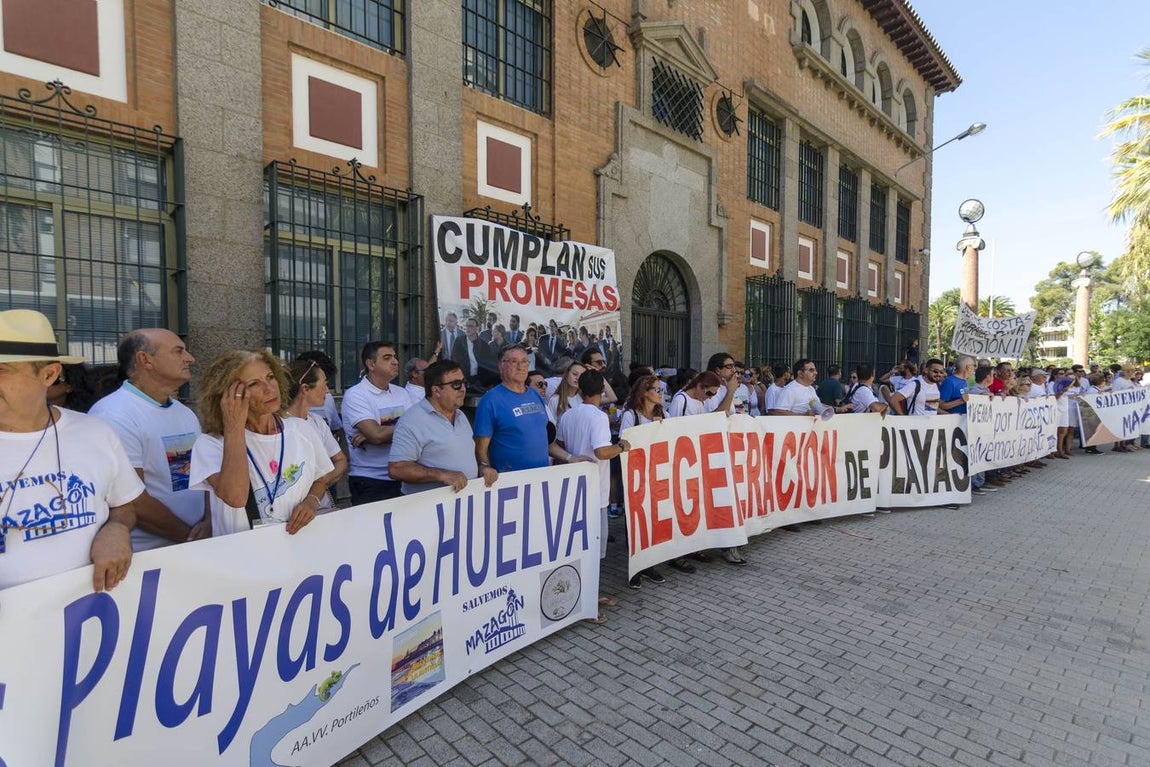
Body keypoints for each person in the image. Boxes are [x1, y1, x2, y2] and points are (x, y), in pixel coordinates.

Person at [0, 309, 142, 591]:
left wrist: (116, 529)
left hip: (86, 620)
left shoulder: (96, 433)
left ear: (49, 374)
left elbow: (124, 506)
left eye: (2, 371)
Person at [89, 328, 211, 550]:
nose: (190, 358)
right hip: (148, 555)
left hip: (192, 548)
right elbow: (132, 500)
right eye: (178, 351)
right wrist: (190, 538)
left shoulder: (183, 412)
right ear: (145, 359)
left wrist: (210, 522)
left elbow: (204, 476)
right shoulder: (114, 414)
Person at [189, 350, 334, 536]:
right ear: (228, 396)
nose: (269, 388)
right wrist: (234, 425)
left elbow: (320, 477)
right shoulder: (211, 444)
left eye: (270, 377)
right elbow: (236, 497)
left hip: (298, 549)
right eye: (254, 383)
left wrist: (312, 501)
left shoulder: (301, 429)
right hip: (244, 556)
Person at [555, 369, 633, 617]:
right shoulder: (598, 417)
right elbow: (601, 452)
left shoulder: (568, 415)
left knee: (579, 547)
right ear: (600, 391)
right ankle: (587, 600)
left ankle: (584, 595)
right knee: (594, 548)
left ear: (579, 389)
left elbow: (562, 445)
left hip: (575, 488)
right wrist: (620, 446)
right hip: (595, 491)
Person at [390, 360, 499, 494]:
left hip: (462, 505)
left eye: (464, 383)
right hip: (428, 508)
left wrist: (482, 468)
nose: (463, 389)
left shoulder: (460, 415)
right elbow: (396, 468)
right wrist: (442, 475)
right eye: (456, 385)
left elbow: (464, 456)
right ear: (436, 391)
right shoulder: (412, 420)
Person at [341, 341, 412, 504]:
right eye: (387, 358)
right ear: (371, 364)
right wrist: (375, 433)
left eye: (395, 357)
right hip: (371, 480)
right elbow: (377, 435)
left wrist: (379, 432)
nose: (395, 361)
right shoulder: (356, 395)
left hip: (404, 474)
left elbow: (420, 429)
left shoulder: (402, 393)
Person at [474, 345, 552, 472]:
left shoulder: (535, 394)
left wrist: (570, 458)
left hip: (540, 480)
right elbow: (480, 450)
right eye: (514, 362)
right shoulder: (490, 401)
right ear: (501, 366)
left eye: (524, 361)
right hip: (511, 485)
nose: (520, 367)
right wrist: (485, 468)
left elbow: (543, 439)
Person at [285, 358, 349, 510]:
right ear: (305, 389)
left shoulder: (317, 421)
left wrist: (320, 483)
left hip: (320, 507)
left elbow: (340, 460)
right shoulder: (278, 425)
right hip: (290, 510)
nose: (327, 390)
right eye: (325, 384)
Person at [294, 350, 343, 435]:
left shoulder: (319, 419)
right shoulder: (284, 423)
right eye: (323, 384)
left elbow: (336, 429)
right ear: (305, 387)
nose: (327, 391)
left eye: (327, 383)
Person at [451, 317, 498, 389]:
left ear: (477, 328)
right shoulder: (459, 341)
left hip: (478, 381)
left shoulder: (483, 345)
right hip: (462, 380)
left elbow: (487, 365)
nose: (468, 328)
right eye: (467, 326)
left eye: (471, 326)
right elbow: (454, 360)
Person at [548, 360, 586, 425]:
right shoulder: (555, 399)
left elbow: (609, 398)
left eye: (582, 376)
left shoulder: (583, 399)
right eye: (574, 374)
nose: (578, 378)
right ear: (567, 374)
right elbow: (551, 427)